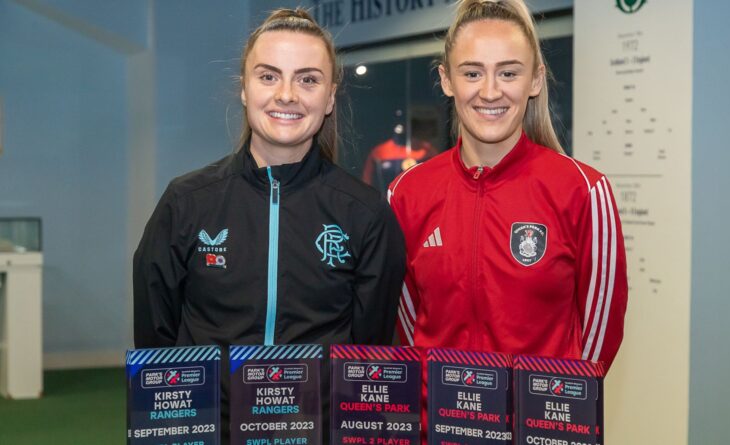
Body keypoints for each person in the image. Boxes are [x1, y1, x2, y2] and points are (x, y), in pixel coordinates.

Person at [133, 8, 405, 443]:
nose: (287, 94)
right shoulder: (186, 204)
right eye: (268, 76)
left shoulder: (365, 214)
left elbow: (369, 350)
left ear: (330, 97)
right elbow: (156, 343)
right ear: (244, 88)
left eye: (308, 79)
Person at [390, 0, 627, 367]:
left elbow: (598, 344)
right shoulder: (406, 194)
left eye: (508, 73)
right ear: (446, 80)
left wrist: (555, 415)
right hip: (438, 423)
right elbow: (408, 328)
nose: (489, 92)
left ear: (534, 80)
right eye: (472, 73)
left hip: (540, 423)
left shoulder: (583, 191)